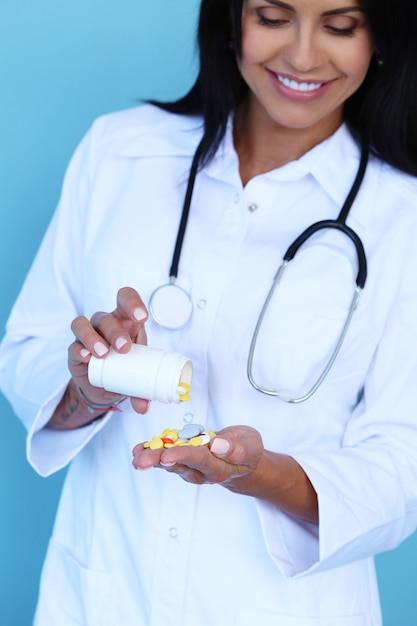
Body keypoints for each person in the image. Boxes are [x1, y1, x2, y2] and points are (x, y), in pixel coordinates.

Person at [1, 0, 417, 623]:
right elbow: (26, 349)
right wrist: (88, 389)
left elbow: (403, 462)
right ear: (230, 21)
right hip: (103, 596)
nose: (302, 56)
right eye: (273, 18)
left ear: (380, 38)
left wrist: (259, 474)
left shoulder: (402, 215)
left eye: (339, 26)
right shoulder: (121, 151)